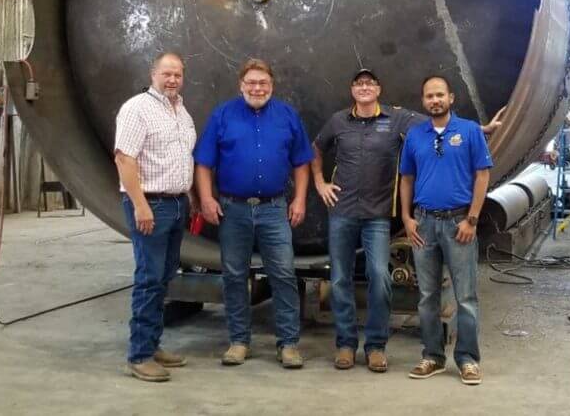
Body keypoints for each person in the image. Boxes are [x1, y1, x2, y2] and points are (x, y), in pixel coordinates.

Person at [312, 69, 502, 373]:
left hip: (388, 218)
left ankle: (381, 347)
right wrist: (320, 184)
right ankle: (349, 345)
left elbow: (457, 142)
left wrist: (483, 129)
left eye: (370, 83)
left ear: (379, 88)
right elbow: (318, 149)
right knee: (343, 281)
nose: (364, 88)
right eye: (359, 84)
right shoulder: (342, 122)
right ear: (352, 89)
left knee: (386, 279)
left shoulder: (400, 120)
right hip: (350, 214)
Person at [194, 58, 313, 369]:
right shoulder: (222, 116)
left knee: (283, 274)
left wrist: (299, 200)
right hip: (233, 209)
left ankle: (288, 344)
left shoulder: (287, 116)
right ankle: (238, 341)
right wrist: (206, 198)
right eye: (252, 83)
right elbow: (204, 163)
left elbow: (302, 162)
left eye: (263, 83)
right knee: (234, 275)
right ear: (241, 85)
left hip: (275, 209)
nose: (257, 88)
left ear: (271, 86)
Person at [399, 75, 492, 386]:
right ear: (423, 101)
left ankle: (467, 360)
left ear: (451, 98)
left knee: (465, 296)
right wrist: (407, 218)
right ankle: (432, 356)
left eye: (440, 94)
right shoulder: (415, 136)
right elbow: (407, 179)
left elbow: (482, 175)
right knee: (427, 296)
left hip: (458, 223)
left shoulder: (468, 131)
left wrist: (472, 219)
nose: (434, 100)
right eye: (429, 96)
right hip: (423, 223)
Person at [114, 52, 197, 383]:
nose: (172, 79)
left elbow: (181, 157)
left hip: (176, 204)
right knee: (149, 279)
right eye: (167, 74)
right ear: (153, 74)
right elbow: (124, 159)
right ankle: (139, 355)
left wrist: (188, 195)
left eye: (177, 74)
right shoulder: (137, 108)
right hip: (151, 205)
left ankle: (153, 343)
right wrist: (140, 205)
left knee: (163, 277)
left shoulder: (180, 110)